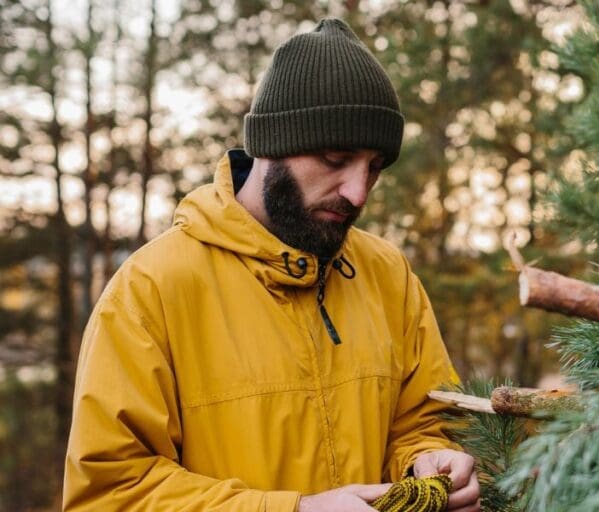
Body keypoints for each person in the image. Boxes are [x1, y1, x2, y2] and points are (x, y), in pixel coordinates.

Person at [63, 18, 480, 512]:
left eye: (373, 167)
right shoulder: (151, 289)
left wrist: (428, 459)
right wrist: (293, 509)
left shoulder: (389, 275)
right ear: (271, 145)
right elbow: (109, 494)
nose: (358, 191)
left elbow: (423, 422)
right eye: (335, 157)